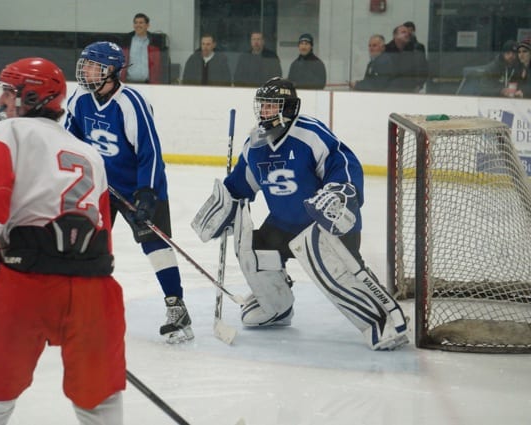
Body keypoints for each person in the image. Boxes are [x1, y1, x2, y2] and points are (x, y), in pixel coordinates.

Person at [0, 57, 126, 424]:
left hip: (27, 284)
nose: (1, 102)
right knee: (99, 397)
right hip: (94, 288)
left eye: (9, 93)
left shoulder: (6, 133)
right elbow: (103, 229)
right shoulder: (88, 152)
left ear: (31, 96)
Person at [192, 77, 408, 351]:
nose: (265, 112)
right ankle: (276, 306)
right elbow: (241, 184)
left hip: (324, 227)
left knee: (338, 275)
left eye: (272, 106)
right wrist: (224, 205)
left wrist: (341, 191)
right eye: (263, 106)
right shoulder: (255, 144)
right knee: (252, 248)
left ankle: (384, 320)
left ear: (290, 107)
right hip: (282, 225)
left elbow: (343, 163)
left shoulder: (310, 134)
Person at [64, 41, 194, 343]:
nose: (85, 71)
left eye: (93, 66)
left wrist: (146, 193)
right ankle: (85, 305)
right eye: (85, 64)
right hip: (102, 188)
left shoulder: (130, 102)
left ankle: (177, 307)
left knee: (155, 245)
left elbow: (150, 152)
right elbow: (70, 140)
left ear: (110, 71)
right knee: (90, 243)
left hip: (141, 185)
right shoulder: (80, 99)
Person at [120, 12, 169, 84]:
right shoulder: (127, 41)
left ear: (147, 25)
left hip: (149, 84)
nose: (138, 25)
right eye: (135, 23)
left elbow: (160, 66)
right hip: (129, 83)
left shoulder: (154, 42)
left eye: (141, 23)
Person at [385, 24, 428, 92]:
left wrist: (419, 86)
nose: (407, 34)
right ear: (395, 35)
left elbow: (422, 69)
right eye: (403, 32)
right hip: (389, 90)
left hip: (409, 90)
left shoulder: (415, 49)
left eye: (408, 33)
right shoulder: (386, 50)